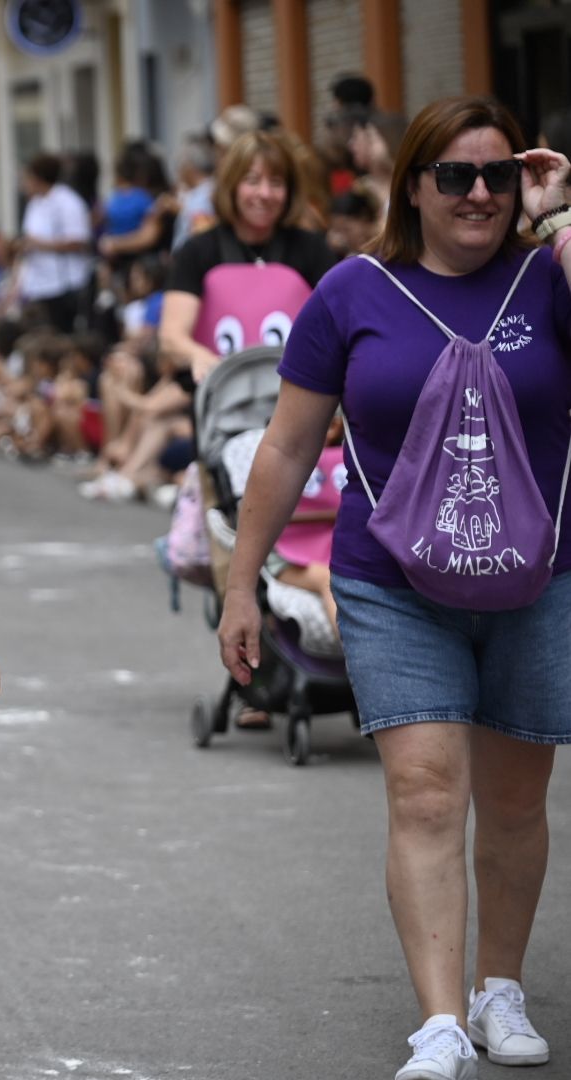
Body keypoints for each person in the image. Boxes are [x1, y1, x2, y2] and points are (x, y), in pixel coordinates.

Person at [219, 96, 571, 1080]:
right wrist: (242, 584)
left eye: (499, 175)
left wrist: (559, 219)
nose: (479, 194)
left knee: (513, 798)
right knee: (424, 795)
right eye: (454, 175)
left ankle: (500, 988)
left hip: (539, 578)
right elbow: (288, 446)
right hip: (391, 581)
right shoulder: (352, 292)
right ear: (411, 184)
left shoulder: (549, 277)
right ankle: (441, 1019)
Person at [159, 130, 336, 384]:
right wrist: (200, 357)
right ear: (231, 185)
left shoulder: (313, 250)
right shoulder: (198, 250)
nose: (264, 194)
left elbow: (337, 328)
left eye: (276, 183)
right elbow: (171, 336)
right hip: (220, 397)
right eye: (252, 181)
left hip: (295, 394)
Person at [13, 154, 93, 333]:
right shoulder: (35, 203)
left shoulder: (67, 202)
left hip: (63, 285)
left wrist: (40, 244)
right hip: (38, 285)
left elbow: (79, 241)